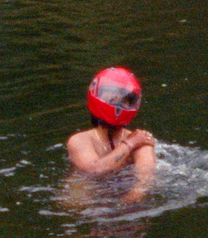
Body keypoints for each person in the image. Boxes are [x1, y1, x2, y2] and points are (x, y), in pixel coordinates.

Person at [66, 66, 156, 202]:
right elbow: (95, 170)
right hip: (88, 201)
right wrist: (130, 144)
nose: (118, 103)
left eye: (124, 99)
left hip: (122, 202)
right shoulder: (79, 140)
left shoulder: (141, 139)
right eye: (112, 97)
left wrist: (134, 196)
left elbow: (146, 175)